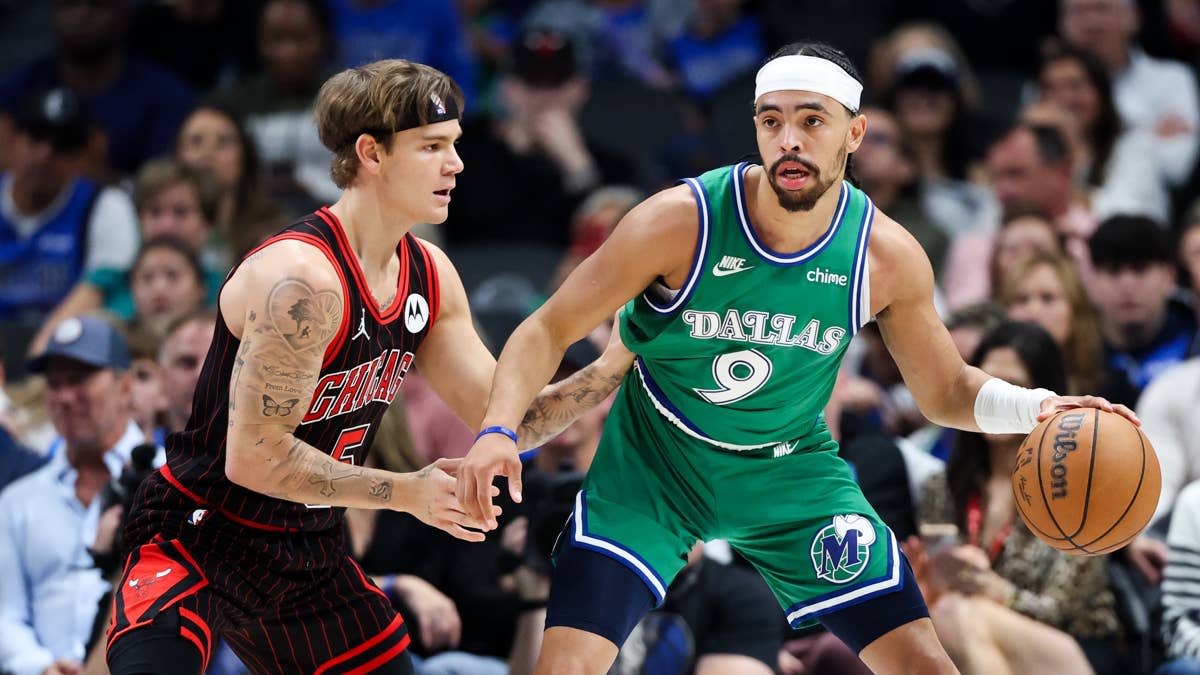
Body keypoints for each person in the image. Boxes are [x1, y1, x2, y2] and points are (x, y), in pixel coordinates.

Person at [458, 41, 1139, 675]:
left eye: (813, 120)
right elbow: (546, 328)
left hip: (789, 477)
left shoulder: (884, 255)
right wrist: (495, 431)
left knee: (926, 664)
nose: (789, 140)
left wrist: (1040, 406)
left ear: (856, 133)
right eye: (771, 120)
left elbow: (943, 390)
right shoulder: (680, 220)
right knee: (566, 666)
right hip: (655, 463)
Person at [103, 58, 633, 675]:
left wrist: (617, 361)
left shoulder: (431, 277)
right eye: (433, 146)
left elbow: (509, 421)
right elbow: (255, 458)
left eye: (455, 145)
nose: (456, 164)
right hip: (200, 532)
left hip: (304, 548)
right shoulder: (301, 279)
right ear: (371, 153)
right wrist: (407, 492)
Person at [0, 316, 152, 675]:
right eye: (54, 384)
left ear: (125, 386)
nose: (65, 397)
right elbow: (5, 611)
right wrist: (40, 666)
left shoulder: (166, 482)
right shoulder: (18, 499)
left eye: (80, 380)